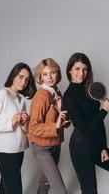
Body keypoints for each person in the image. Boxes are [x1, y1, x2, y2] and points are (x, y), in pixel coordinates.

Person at [0, 62, 36, 194]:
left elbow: (21, 127)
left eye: (27, 79)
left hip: (18, 148)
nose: (23, 82)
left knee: (6, 185)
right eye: (20, 77)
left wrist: (23, 121)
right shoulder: (2, 94)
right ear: (13, 76)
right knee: (14, 188)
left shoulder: (19, 98)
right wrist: (10, 122)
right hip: (5, 151)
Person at [63, 52, 109, 194]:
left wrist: (103, 147)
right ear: (70, 70)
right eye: (77, 69)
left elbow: (97, 122)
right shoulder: (69, 96)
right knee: (90, 190)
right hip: (80, 146)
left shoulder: (89, 91)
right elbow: (85, 130)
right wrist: (104, 111)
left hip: (95, 144)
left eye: (85, 69)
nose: (81, 73)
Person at [28, 58, 70, 194]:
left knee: (44, 184)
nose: (50, 77)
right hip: (42, 149)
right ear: (40, 77)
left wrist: (62, 117)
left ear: (58, 74)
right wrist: (56, 125)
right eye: (45, 74)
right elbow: (33, 127)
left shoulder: (56, 92)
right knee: (60, 189)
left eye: (53, 72)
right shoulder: (42, 96)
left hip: (55, 145)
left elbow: (62, 121)